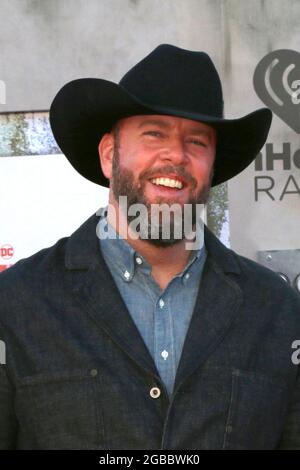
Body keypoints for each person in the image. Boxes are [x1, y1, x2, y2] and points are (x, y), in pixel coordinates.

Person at [0, 44, 299, 450]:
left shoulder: (277, 309)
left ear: (211, 166)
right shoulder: (16, 303)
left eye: (197, 141)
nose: (175, 154)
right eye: (153, 133)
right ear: (109, 155)